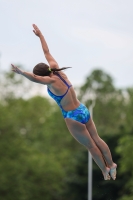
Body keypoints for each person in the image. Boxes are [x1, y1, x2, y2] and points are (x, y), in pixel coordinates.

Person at [11, 24, 117, 181]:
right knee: (97, 138)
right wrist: (40, 35)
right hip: (82, 110)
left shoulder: (51, 81)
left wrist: (21, 72)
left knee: (91, 146)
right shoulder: (55, 69)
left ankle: (105, 170)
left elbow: (36, 78)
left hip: (73, 117)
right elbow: (47, 52)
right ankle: (112, 164)